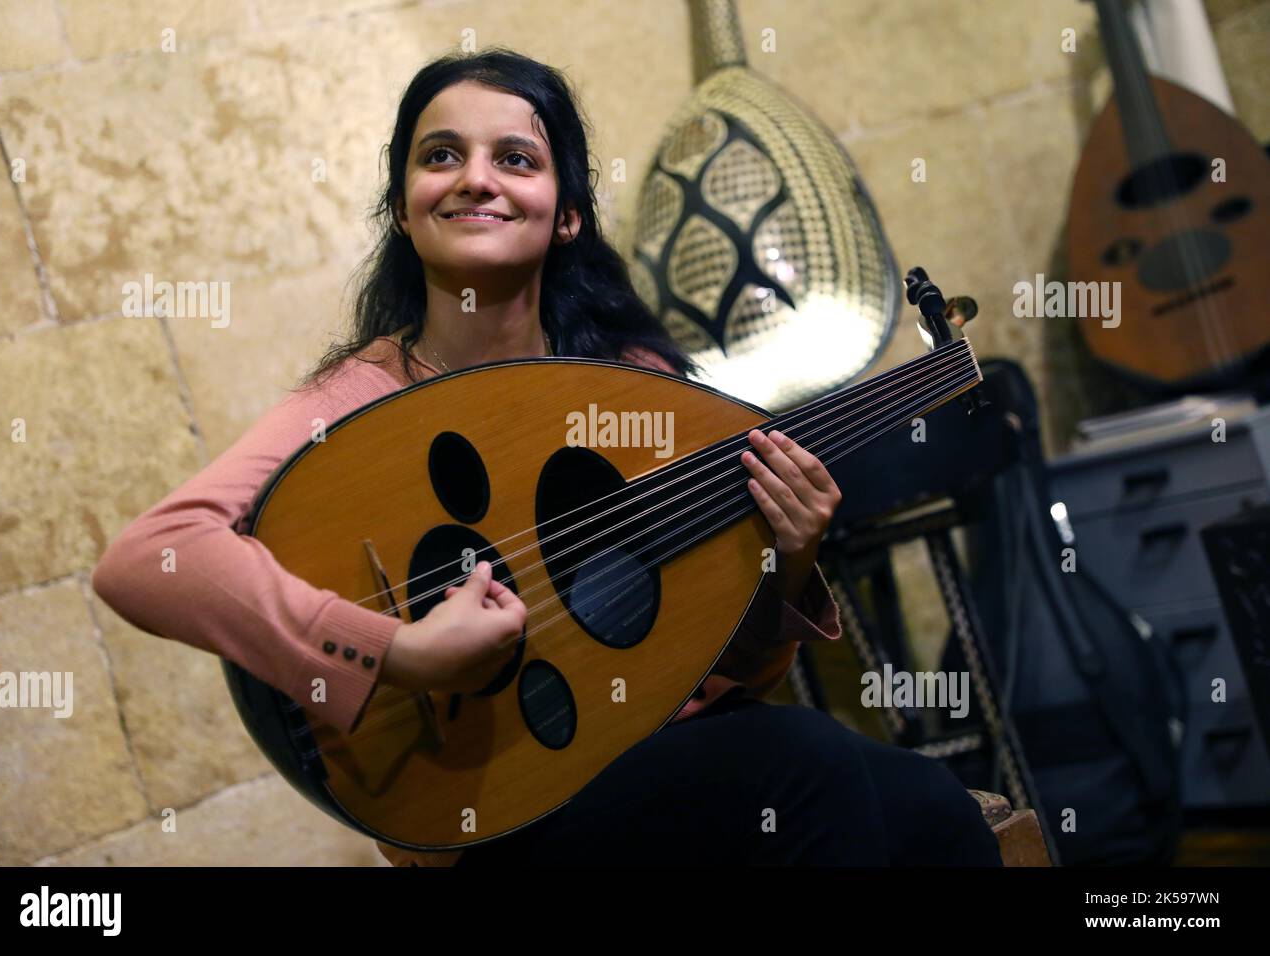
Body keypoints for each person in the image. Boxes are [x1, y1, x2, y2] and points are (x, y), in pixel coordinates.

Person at [92, 47, 1001, 867]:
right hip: (502, 808)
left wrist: (786, 559)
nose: (473, 180)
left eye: (515, 160)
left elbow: (724, 665)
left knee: (936, 814)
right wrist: (396, 650)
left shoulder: (633, 384)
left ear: (566, 214)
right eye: (440, 155)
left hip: (671, 750)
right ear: (403, 211)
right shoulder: (361, 396)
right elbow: (148, 559)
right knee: (804, 764)